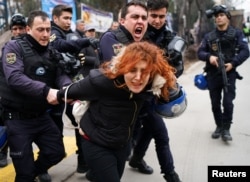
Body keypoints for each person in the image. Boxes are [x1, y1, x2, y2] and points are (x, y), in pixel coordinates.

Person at [57, 41, 180, 182]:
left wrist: (169, 79)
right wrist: (55, 94)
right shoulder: (102, 81)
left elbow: (172, 92)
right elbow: (67, 92)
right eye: (132, 70)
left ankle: (94, 174)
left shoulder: (151, 84)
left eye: (144, 71)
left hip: (122, 145)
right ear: (123, 68)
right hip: (96, 143)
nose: (138, 78)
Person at [0, 10, 72, 182]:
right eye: (40, 29)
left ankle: (32, 173)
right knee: (23, 171)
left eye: (48, 29)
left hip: (41, 117)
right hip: (17, 119)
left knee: (56, 152)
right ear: (28, 29)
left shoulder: (51, 51)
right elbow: (15, 78)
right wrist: (46, 91)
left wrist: (69, 88)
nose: (46, 34)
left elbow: (60, 74)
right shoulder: (14, 47)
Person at [128, 1, 183, 181]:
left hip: (154, 97)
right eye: (154, 16)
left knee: (156, 132)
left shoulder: (170, 36)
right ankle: (169, 174)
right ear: (147, 14)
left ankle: (140, 161)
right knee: (132, 137)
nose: (158, 20)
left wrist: (174, 62)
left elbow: (177, 72)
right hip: (133, 96)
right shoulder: (136, 35)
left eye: (161, 16)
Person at [50, 4, 96, 174]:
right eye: (65, 18)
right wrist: (85, 40)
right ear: (55, 19)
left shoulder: (69, 33)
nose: (69, 21)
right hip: (54, 90)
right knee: (56, 133)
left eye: (70, 18)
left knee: (79, 121)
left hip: (66, 86)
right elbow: (60, 45)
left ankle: (83, 162)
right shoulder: (53, 33)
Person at [197, 5, 249, 142]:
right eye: (216, 16)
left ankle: (226, 128)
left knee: (227, 102)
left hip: (229, 72)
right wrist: (210, 57)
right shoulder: (209, 36)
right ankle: (219, 126)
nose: (218, 17)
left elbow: (245, 51)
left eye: (221, 15)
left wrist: (233, 63)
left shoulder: (236, 33)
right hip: (213, 74)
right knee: (215, 103)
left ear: (228, 17)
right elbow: (200, 52)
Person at [0, 13, 27, 168]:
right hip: (6, 94)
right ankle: (3, 153)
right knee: (4, 123)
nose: (17, 32)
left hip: (26, 95)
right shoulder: (5, 45)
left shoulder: (32, 46)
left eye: (21, 28)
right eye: (15, 29)